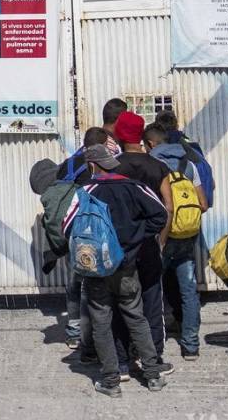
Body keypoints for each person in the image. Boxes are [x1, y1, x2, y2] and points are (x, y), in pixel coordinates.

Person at [65, 144, 171, 396]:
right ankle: (153, 374)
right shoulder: (136, 188)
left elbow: (67, 226)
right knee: (136, 316)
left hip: (97, 270)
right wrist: (136, 238)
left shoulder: (86, 191)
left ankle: (111, 380)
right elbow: (161, 215)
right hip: (127, 265)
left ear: (93, 165)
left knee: (101, 321)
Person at [29, 127, 109, 349]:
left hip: (69, 230)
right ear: (103, 145)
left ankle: (74, 332)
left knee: (75, 283)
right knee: (97, 282)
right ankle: (92, 333)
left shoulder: (69, 164)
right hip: (90, 230)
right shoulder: (98, 166)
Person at [110, 111, 172, 367]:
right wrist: (161, 240)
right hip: (148, 242)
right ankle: (154, 356)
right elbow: (168, 206)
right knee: (151, 298)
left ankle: (122, 360)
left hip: (121, 245)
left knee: (120, 301)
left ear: (120, 134)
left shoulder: (113, 165)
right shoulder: (159, 167)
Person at [145, 123, 208, 360]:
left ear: (151, 144)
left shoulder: (152, 165)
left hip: (160, 237)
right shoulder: (188, 164)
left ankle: (154, 344)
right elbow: (202, 204)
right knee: (189, 292)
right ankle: (191, 345)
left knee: (152, 290)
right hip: (186, 236)